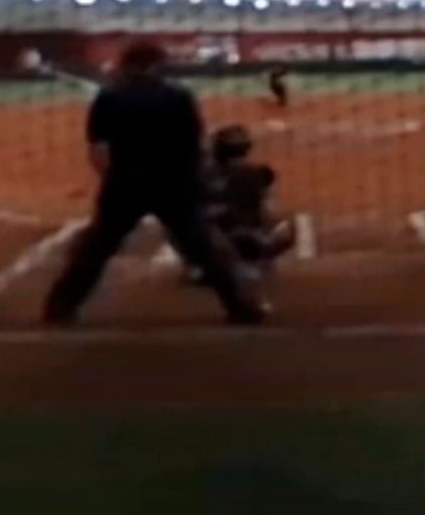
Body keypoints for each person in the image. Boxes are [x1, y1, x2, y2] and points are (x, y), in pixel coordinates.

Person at [42, 40, 268, 326]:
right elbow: (195, 147)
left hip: (126, 182)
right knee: (204, 247)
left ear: (129, 65)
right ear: (156, 64)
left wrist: (114, 181)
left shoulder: (109, 97)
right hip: (174, 183)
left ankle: (60, 307)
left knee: (97, 247)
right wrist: (195, 183)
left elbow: (98, 151)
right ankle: (243, 307)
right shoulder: (179, 96)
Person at [184, 124, 295, 285]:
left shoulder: (204, 174)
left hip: (219, 241)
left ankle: (203, 266)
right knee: (285, 228)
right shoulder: (260, 172)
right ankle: (256, 262)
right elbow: (267, 208)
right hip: (254, 239)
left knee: (184, 222)